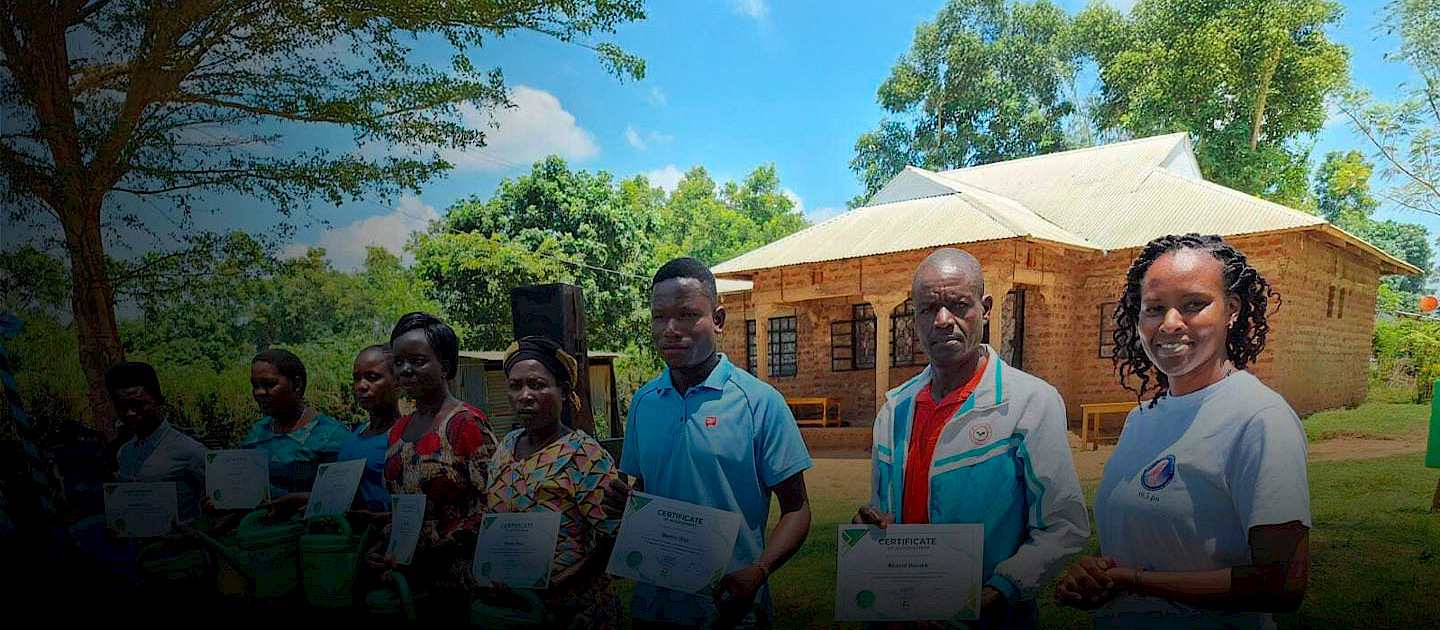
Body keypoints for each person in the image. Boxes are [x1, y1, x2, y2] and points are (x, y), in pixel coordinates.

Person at [1055, 233, 1309, 630]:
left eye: (1193, 304)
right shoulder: (1143, 420)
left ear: (1233, 310)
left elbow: (1280, 585)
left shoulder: (1259, 419)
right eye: (1154, 308)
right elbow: (1131, 541)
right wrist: (1094, 574)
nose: (1170, 324)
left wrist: (1135, 583)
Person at [853, 248, 1089, 629]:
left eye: (959, 305)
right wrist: (869, 522)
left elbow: (1064, 525)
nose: (943, 321)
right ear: (914, 317)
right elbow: (884, 506)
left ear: (986, 308)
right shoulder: (895, 410)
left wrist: (996, 594)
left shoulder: (1028, 402)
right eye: (928, 309)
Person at [621, 257, 813, 630]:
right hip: (653, 609)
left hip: (731, 611)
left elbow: (797, 508)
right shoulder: (644, 402)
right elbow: (645, 490)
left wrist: (759, 571)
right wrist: (627, 507)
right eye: (659, 317)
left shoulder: (759, 402)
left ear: (719, 320)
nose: (671, 329)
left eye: (688, 314)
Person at [479, 335, 625, 629]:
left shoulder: (585, 455)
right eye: (515, 386)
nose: (525, 396)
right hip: (514, 606)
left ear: (564, 391)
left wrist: (555, 583)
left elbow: (611, 541)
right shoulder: (505, 448)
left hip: (573, 610)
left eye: (538, 384)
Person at [367, 312, 496, 608]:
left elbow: (495, 505)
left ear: (446, 367)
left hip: (458, 581)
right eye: (398, 363)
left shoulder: (466, 424)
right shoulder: (399, 430)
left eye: (418, 361)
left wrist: (436, 550)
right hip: (406, 578)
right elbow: (402, 506)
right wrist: (380, 545)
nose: (405, 370)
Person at [68, 362, 208, 589]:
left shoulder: (189, 450)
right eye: (121, 407)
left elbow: (231, 506)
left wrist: (196, 533)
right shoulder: (126, 452)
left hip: (175, 555)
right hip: (132, 552)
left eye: (138, 405)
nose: (129, 414)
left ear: (159, 401)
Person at [240, 348, 352, 500]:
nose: (259, 392)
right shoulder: (258, 432)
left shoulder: (330, 436)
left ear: (296, 385)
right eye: (255, 385)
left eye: (269, 384)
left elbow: (343, 494)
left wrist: (297, 502)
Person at [340, 344, 401, 515]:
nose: (361, 386)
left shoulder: (406, 437)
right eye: (356, 378)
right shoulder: (358, 432)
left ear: (397, 381)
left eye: (372, 377)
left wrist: (381, 518)